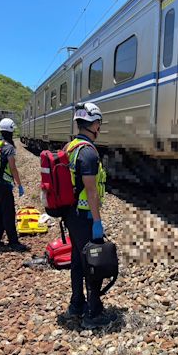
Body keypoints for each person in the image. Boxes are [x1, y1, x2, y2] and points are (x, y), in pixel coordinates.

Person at [63, 102, 115, 329]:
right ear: (94, 124)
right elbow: (91, 191)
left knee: (77, 259)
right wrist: (97, 221)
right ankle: (92, 314)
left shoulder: (71, 147)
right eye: (99, 123)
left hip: (70, 214)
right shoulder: (88, 153)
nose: (99, 127)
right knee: (93, 261)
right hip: (84, 215)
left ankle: (76, 304)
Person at [0, 118, 29, 253]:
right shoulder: (9, 148)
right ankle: (13, 243)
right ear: (11, 131)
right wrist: (19, 184)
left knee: (1, 213)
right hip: (4, 185)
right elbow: (13, 167)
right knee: (9, 213)